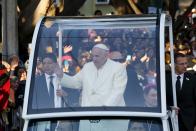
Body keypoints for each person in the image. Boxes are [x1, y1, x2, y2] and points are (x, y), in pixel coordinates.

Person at [60, 43, 128, 131]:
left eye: (97, 56)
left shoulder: (118, 68)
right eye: (93, 56)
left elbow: (117, 92)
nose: (94, 59)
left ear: (106, 55)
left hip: (110, 119)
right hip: (89, 117)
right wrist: (61, 76)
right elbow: (76, 83)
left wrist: (103, 110)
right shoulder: (88, 67)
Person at [166, 53, 196, 131]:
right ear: (174, 64)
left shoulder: (192, 79)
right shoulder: (165, 79)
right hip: (169, 121)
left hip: (188, 123)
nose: (185, 66)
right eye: (182, 64)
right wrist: (169, 108)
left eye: (186, 63)